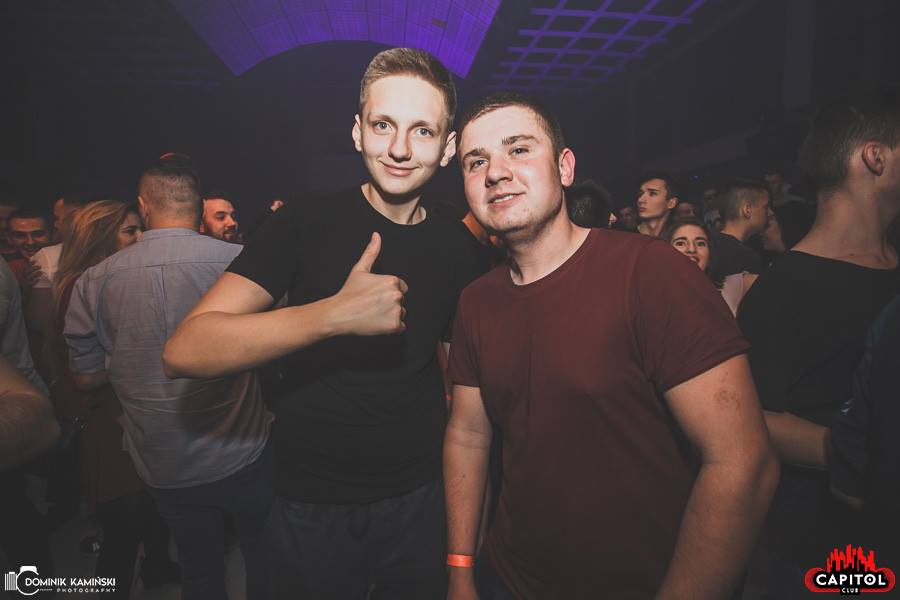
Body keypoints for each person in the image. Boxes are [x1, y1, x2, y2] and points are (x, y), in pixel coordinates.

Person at [163, 48, 483, 598]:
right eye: (383, 125)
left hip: (419, 496)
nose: (400, 149)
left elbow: (465, 391)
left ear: (448, 147)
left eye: (423, 131)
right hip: (308, 500)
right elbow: (186, 350)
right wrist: (331, 315)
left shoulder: (458, 245)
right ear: (357, 131)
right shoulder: (303, 222)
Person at [445, 92, 778, 599]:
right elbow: (469, 436)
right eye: (476, 161)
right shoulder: (475, 301)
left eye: (518, 149)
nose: (496, 172)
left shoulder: (650, 272)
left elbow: (744, 463)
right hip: (509, 578)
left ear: (565, 167)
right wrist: (461, 570)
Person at [65, 166, 273, 600]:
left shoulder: (95, 281)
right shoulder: (239, 262)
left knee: (199, 568)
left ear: (144, 207)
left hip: (164, 461)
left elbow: (84, 376)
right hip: (242, 447)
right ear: (198, 207)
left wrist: (130, 362)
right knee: (265, 560)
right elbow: (273, 341)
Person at [738, 87, 900, 597]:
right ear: (875, 157)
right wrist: (856, 452)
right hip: (829, 554)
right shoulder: (784, 288)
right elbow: (750, 420)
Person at [51, 200, 177, 597]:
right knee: (124, 520)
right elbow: (84, 374)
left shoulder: (112, 279)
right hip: (103, 417)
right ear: (100, 238)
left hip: (124, 410)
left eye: (140, 229)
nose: (140, 238)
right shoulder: (83, 285)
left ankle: (157, 568)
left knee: (146, 507)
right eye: (129, 231)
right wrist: (146, 360)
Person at [664, 218, 757, 316]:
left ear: (709, 257)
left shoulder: (732, 287)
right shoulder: (657, 295)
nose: (691, 249)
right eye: (680, 243)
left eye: (700, 243)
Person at [713, 179, 773, 276]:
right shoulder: (746, 257)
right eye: (766, 207)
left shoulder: (709, 245)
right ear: (747, 210)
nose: (770, 213)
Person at [636, 172, 680, 238]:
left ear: (671, 203)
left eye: (652, 193)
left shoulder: (678, 237)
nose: (640, 200)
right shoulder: (627, 237)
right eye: (640, 194)